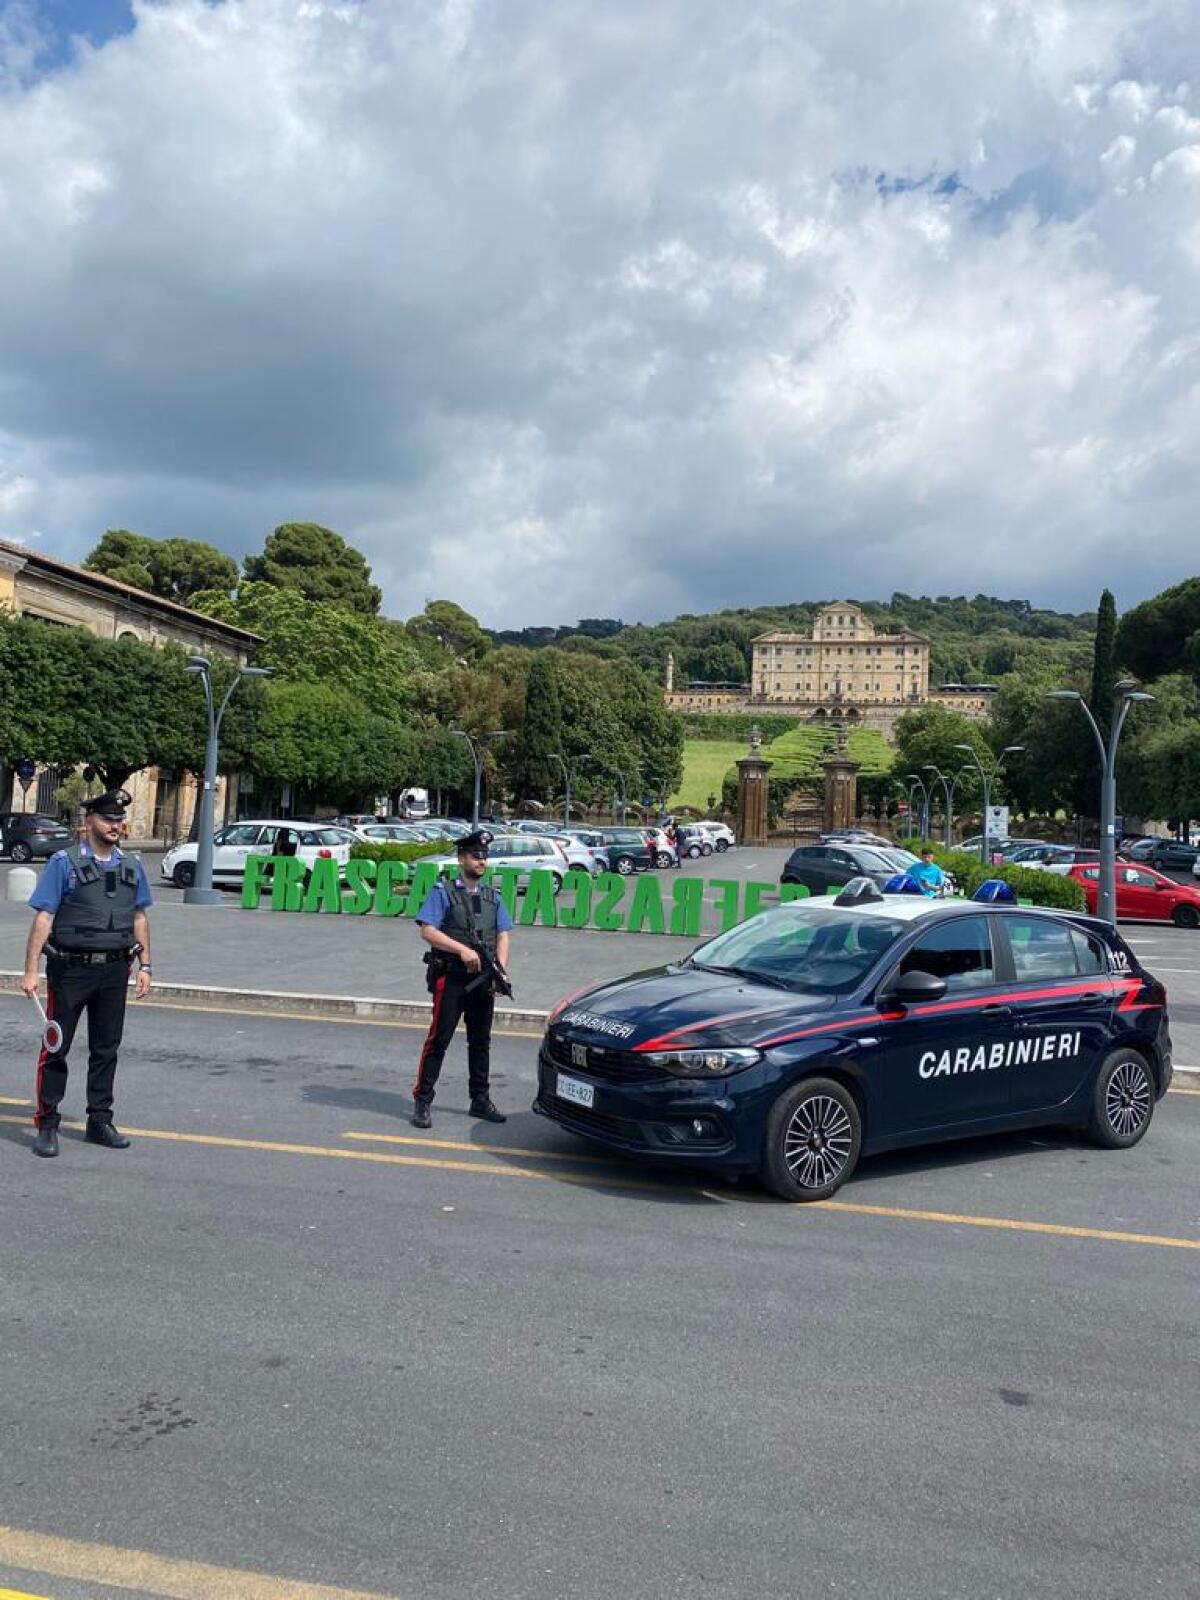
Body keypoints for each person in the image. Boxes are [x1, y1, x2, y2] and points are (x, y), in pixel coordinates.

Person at [21, 789, 153, 1159]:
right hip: (70, 971)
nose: (116, 825)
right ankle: (47, 1123)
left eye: (119, 820)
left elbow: (139, 916)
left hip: (114, 970)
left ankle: (99, 1120)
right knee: (55, 1049)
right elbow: (44, 917)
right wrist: (31, 970)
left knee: (106, 1049)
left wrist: (146, 965)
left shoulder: (131, 865)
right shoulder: (63, 863)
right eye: (109, 819)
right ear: (89, 821)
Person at [411, 829, 512, 1129]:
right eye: (475, 856)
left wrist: (500, 970)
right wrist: (461, 950)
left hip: (483, 980)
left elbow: (503, 933)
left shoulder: (493, 896)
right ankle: (423, 1100)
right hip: (452, 978)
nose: (481, 861)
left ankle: (480, 1099)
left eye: (484, 856)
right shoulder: (443, 892)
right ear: (461, 858)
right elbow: (427, 930)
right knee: (438, 1040)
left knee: (480, 1043)